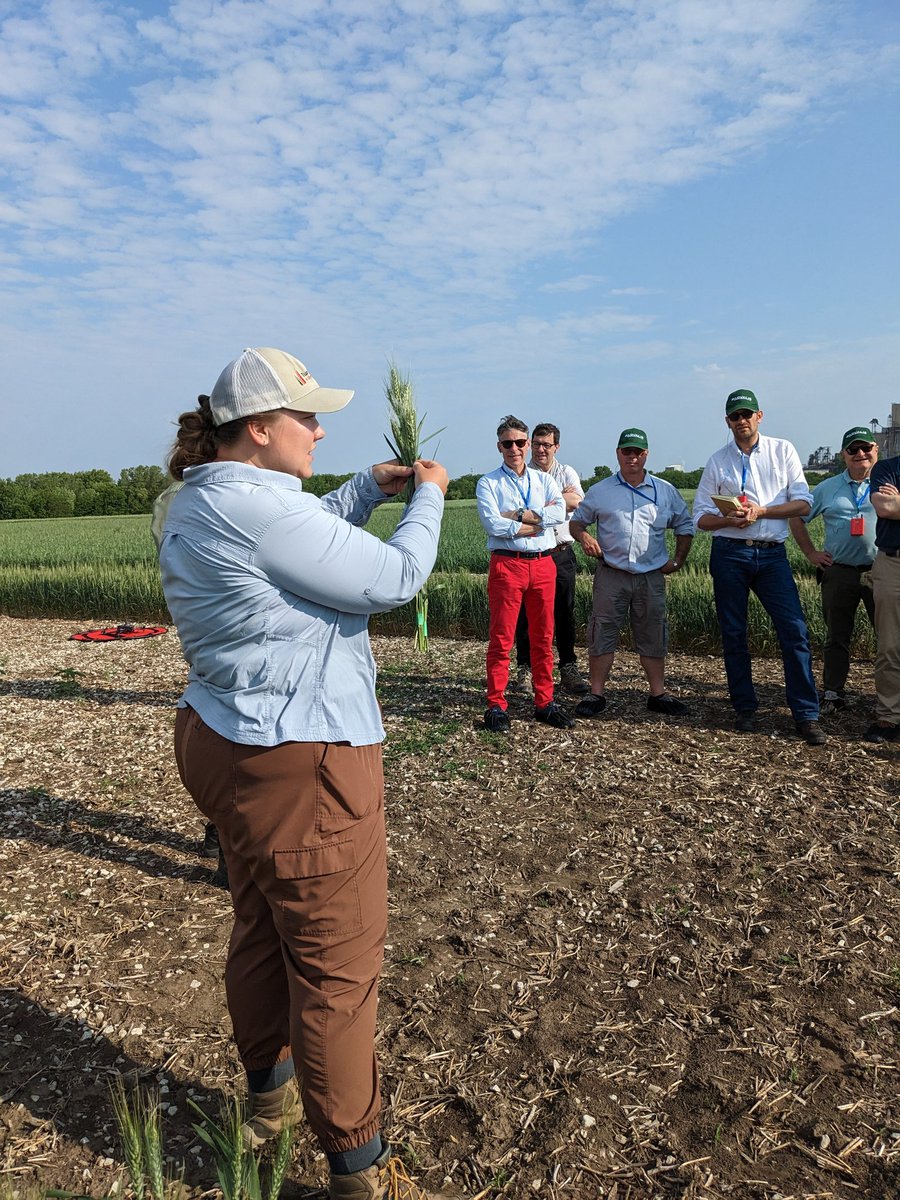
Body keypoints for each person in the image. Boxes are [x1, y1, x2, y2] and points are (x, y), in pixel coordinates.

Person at [158, 346, 455, 1200]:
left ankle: (268, 1104)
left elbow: (303, 525)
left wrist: (366, 486)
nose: (320, 429)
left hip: (222, 739)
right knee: (334, 965)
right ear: (260, 429)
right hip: (301, 761)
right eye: (306, 416)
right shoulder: (257, 514)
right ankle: (361, 1169)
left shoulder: (202, 496)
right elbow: (395, 576)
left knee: (260, 925)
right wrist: (429, 495)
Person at [694, 388, 826, 745]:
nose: (741, 421)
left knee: (794, 630)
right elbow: (700, 518)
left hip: (771, 554)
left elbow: (802, 503)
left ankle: (806, 713)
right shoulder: (717, 461)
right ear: (727, 421)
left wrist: (762, 511)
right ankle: (745, 708)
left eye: (747, 414)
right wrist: (728, 521)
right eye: (735, 416)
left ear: (759, 416)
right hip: (729, 553)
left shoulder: (783, 451)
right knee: (734, 633)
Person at [568, 428, 693, 717]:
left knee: (653, 633)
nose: (632, 457)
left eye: (638, 451)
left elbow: (685, 527)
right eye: (627, 451)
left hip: (651, 576)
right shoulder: (601, 491)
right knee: (602, 632)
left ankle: (658, 694)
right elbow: (577, 523)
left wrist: (677, 560)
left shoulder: (665, 491)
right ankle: (596, 693)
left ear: (646, 454)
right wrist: (585, 538)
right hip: (611, 575)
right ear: (618, 454)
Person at [475, 415, 574, 731]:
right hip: (508, 564)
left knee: (544, 637)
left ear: (527, 444)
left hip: (544, 563)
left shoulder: (545, 480)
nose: (514, 448)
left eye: (520, 442)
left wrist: (517, 518)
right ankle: (496, 705)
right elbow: (493, 524)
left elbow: (559, 514)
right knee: (502, 637)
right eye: (508, 443)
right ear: (499, 446)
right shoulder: (488, 483)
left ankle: (544, 702)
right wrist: (533, 523)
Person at [789, 426, 878, 713]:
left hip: (882, 571)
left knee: (890, 637)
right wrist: (811, 553)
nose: (860, 454)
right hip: (839, 571)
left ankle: (890, 697)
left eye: (865, 448)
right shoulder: (828, 488)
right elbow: (797, 518)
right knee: (837, 636)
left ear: (876, 450)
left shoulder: (888, 483)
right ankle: (833, 692)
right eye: (853, 450)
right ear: (843, 455)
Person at [512, 423, 590, 695]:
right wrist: (557, 502)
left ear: (557, 447)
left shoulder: (566, 471)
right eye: (537, 443)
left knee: (564, 613)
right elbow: (517, 510)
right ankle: (525, 668)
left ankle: (568, 667)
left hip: (561, 553)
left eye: (547, 444)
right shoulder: (523, 472)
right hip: (531, 552)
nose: (541, 449)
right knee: (526, 615)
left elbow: (577, 501)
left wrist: (539, 505)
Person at [867, 449, 900, 742]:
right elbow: (886, 507)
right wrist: (895, 503)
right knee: (890, 644)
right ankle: (890, 715)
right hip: (893, 563)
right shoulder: (885, 469)